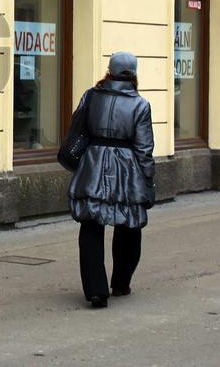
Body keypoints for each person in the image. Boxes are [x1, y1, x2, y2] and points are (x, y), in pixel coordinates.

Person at [68, 51, 156, 308]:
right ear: (134, 74)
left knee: (90, 224)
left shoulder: (91, 95)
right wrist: (148, 182)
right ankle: (120, 283)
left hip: (92, 164)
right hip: (126, 169)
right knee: (129, 224)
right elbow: (144, 149)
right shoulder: (140, 105)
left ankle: (96, 290)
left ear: (109, 70)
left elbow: (77, 129)